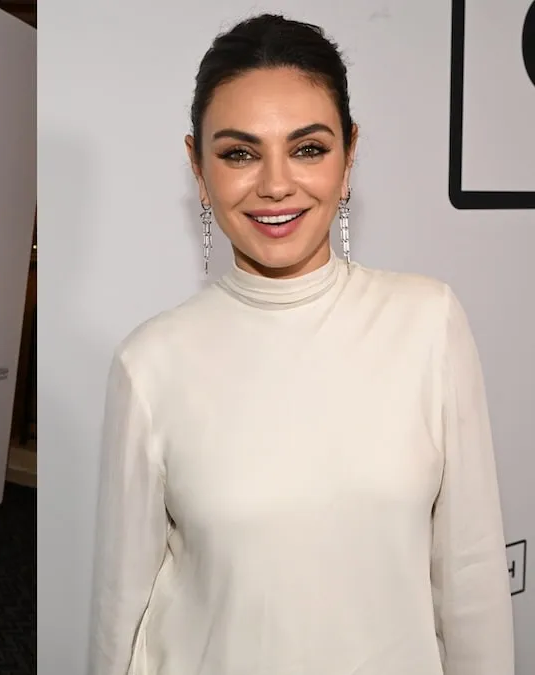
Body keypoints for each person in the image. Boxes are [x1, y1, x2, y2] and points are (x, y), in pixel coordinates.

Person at [88, 14, 514, 675]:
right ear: (198, 170)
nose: (277, 184)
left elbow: (473, 581)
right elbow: (121, 609)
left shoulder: (429, 322)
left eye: (308, 148)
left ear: (349, 157)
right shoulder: (150, 363)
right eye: (239, 153)